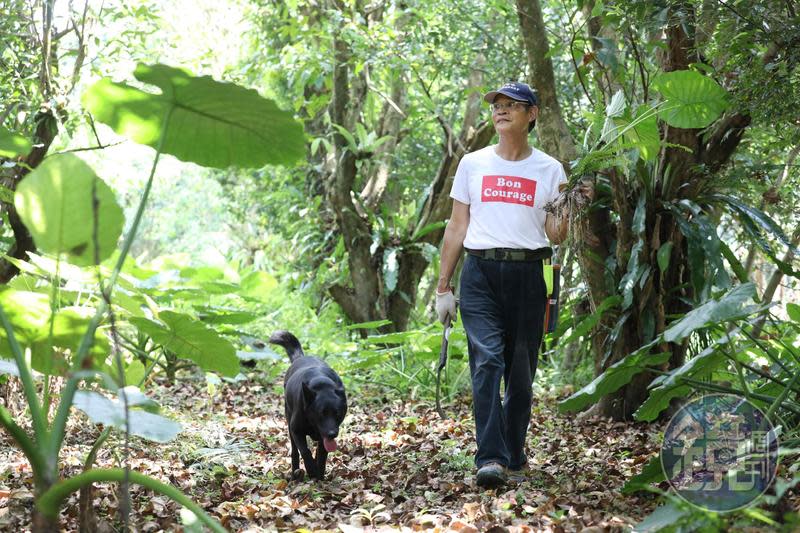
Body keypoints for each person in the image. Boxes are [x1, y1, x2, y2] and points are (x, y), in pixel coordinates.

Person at [435, 81, 586, 488]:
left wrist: (569, 205)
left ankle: (514, 453)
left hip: (529, 275)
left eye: (511, 105)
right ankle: (490, 457)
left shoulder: (550, 169)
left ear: (531, 114)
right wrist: (443, 287)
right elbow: (456, 225)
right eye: (497, 105)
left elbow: (556, 235)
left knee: (520, 374)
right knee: (486, 363)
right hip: (481, 271)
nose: (500, 111)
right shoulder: (473, 163)